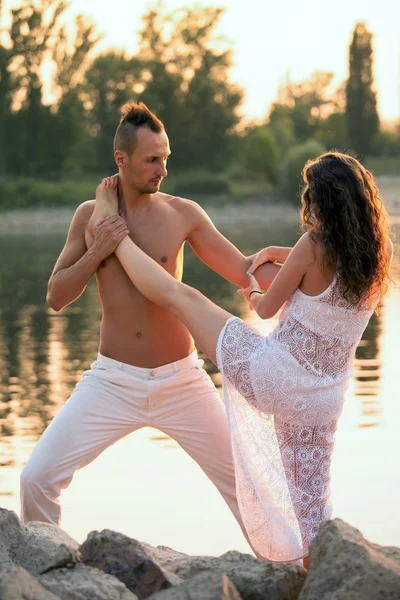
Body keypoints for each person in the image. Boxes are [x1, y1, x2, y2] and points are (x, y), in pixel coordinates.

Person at [90, 151, 393, 567]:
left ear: (323, 200)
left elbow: (266, 309)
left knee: (182, 296)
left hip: (275, 377)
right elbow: (329, 260)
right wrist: (281, 253)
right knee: (313, 505)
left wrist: (251, 293)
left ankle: (118, 238)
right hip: (324, 399)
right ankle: (322, 577)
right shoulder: (379, 252)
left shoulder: (313, 245)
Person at [20, 102, 275, 550]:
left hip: (182, 381)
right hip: (112, 382)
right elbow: (56, 297)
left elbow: (243, 269)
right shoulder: (88, 216)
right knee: (36, 478)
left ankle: (290, 571)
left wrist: (308, 265)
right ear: (121, 159)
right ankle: (45, 569)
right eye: (152, 159)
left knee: (248, 487)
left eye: (166, 158)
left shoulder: (183, 214)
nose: (162, 169)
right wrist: (97, 250)